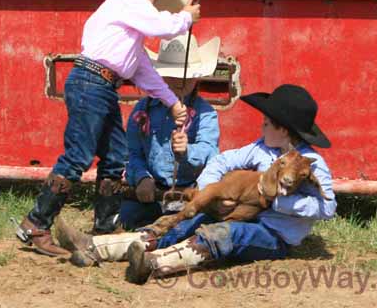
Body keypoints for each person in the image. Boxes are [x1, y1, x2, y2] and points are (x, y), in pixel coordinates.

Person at [14, 0, 201, 256]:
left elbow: (142, 68)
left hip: (96, 83)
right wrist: (184, 18)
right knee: (79, 155)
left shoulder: (126, 14)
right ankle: (36, 223)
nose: (155, 4)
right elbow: (160, 28)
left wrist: (171, 101)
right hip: (94, 83)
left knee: (114, 156)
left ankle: (103, 227)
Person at [56, 84, 336, 282]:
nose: (261, 127)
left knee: (227, 234)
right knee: (187, 218)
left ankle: (155, 263)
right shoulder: (261, 149)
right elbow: (221, 161)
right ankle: (98, 247)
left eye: (266, 123)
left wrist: (275, 199)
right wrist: (209, 191)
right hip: (242, 214)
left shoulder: (311, 165)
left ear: (283, 130)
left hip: (274, 234)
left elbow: (327, 208)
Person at [121, 33, 221, 230]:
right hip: (152, 189)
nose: (179, 82)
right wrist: (142, 177)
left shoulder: (206, 113)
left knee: (191, 222)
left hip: (190, 191)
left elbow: (210, 152)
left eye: (185, 77)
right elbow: (132, 153)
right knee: (128, 216)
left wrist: (187, 151)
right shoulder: (142, 110)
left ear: (197, 77)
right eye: (172, 76)